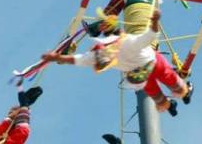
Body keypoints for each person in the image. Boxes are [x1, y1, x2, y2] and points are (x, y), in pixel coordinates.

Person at [41, 10, 192, 116]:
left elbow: (149, 36)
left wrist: (154, 21)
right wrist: (56, 58)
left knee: (179, 89)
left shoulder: (128, 43)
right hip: (140, 76)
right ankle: (170, 105)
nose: (105, 64)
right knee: (160, 102)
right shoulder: (97, 56)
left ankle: (186, 90)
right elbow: (78, 60)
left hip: (155, 64)